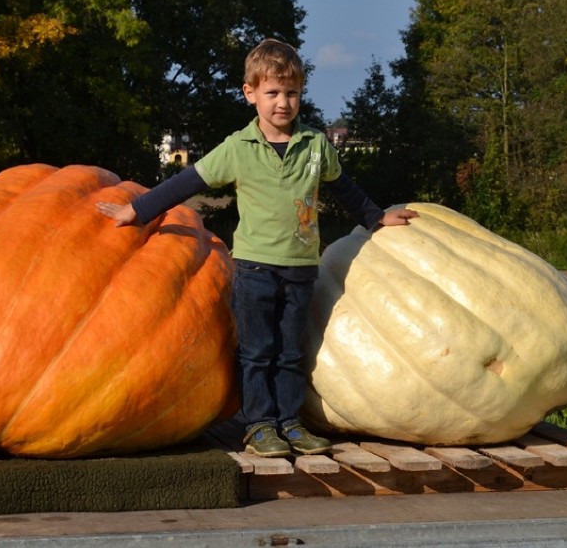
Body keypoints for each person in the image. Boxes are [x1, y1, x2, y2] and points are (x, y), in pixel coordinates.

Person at [96, 38, 418, 458]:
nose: (282, 103)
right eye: (272, 93)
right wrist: (137, 211)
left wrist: (376, 218)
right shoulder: (237, 148)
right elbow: (188, 181)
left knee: (289, 351)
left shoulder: (315, 145)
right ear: (251, 94)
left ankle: (290, 422)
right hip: (253, 270)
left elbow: (345, 190)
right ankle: (260, 425)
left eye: (291, 93)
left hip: (301, 268)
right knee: (256, 351)